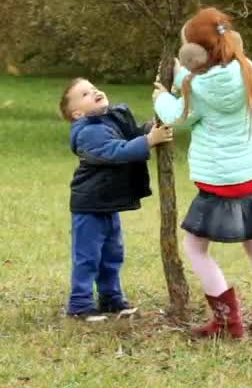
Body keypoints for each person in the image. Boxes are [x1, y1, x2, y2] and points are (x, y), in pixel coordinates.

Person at [154, 7, 252, 338]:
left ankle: (227, 322)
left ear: (194, 54)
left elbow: (177, 116)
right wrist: (184, 78)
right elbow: (203, 82)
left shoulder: (199, 90)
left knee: (195, 248)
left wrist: (162, 97)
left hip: (220, 183)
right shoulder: (245, 68)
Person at [60, 77, 173, 321]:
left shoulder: (110, 119)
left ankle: (111, 299)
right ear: (78, 114)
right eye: (85, 94)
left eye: (93, 88)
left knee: (112, 254)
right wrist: (149, 141)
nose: (95, 92)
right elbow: (116, 151)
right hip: (89, 205)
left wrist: (151, 128)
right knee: (88, 257)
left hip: (108, 203)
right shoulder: (87, 132)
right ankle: (79, 304)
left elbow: (131, 135)